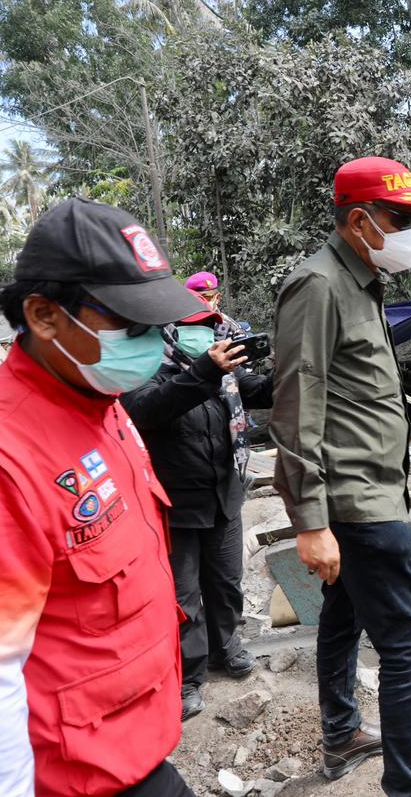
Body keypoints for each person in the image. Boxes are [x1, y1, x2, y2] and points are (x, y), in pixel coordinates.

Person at [0, 198, 206, 796]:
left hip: (135, 752)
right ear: (43, 315)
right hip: (71, 779)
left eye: (156, 324)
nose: (151, 343)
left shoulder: (101, 406)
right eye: (129, 324)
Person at [270, 156, 411, 796]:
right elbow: (297, 405)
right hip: (355, 503)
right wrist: (310, 521)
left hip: (370, 491)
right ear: (361, 221)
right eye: (404, 218)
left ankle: (341, 735)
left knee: (342, 619)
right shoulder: (317, 287)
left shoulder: (361, 282)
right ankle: (410, 788)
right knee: (410, 641)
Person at [121, 301, 273, 721]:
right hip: (174, 506)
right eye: (194, 329)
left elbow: (258, 389)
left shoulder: (228, 373)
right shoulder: (146, 371)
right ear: (169, 332)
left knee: (226, 582)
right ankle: (188, 676)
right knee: (182, 598)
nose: (205, 335)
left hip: (225, 494)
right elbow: (150, 410)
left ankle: (228, 649)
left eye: (210, 327)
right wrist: (205, 371)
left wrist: (292, 371)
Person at [185, 270, 246, 339]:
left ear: (217, 298)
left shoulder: (233, 331)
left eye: (206, 297)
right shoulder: (179, 324)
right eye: (194, 298)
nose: (200, 302)